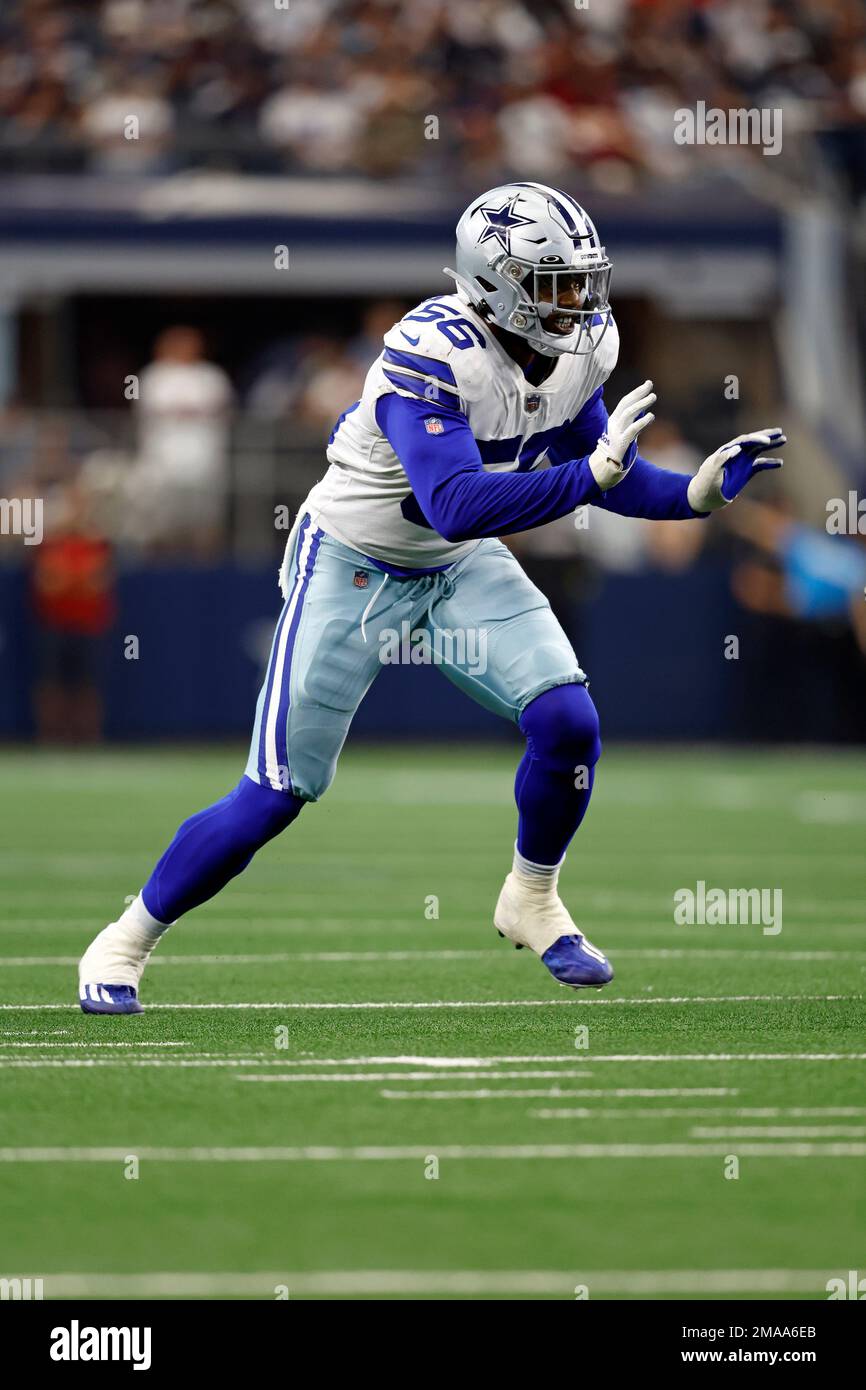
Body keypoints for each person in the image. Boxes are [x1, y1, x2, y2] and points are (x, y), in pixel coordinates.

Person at [77, 181, 785, 1014]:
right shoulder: (431, 350)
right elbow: (456, 500)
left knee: (568, 721)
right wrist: (591, 478)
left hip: (457, 561)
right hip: (353, 561)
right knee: (273, 796)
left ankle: (532, 894)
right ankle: (124, 942)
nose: (578, 302)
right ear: (493, 281)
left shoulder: (581, 344)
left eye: (581, 280)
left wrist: (692, 496)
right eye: (554, 283)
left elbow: (601, 464)